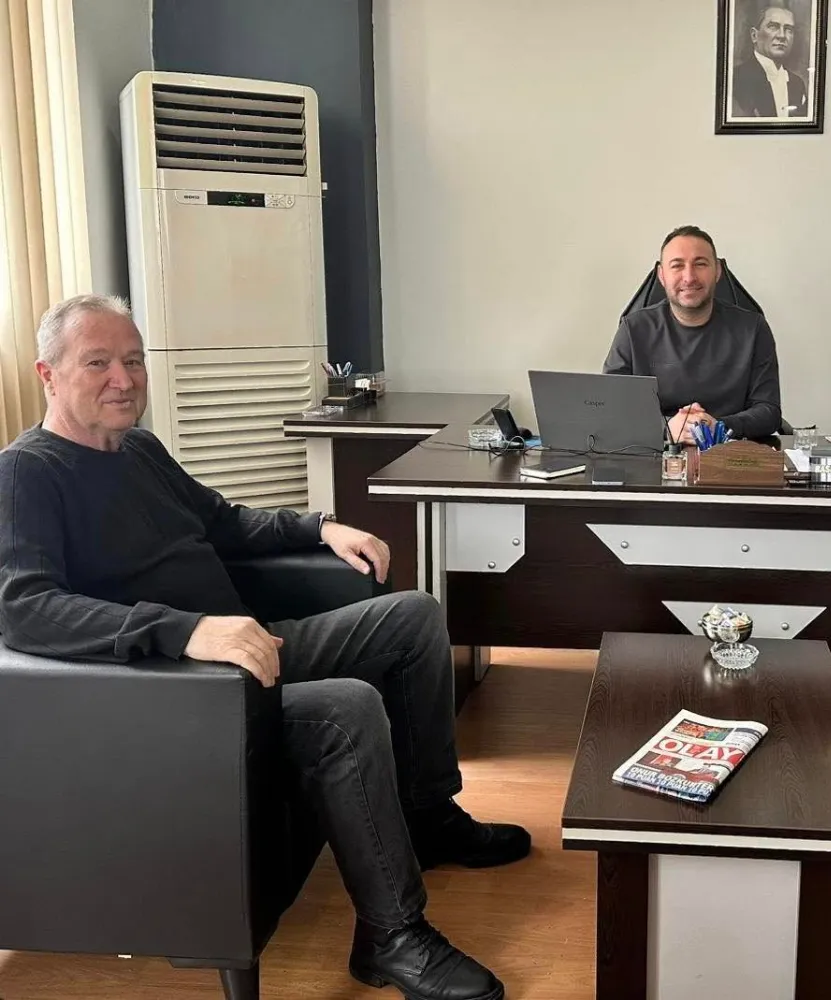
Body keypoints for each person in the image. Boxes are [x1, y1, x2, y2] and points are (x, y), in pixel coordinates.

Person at [0, 294, 532, 1000]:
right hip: (180, 696)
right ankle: (392, 936)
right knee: (347, 707)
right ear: (48, 373)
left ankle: (429, 818)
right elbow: (24, 608)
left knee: (414, 617)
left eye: (132, 361)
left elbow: (223, 523)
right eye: (98, 363)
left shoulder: (140, 451)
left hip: (249, 650)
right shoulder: (27, 472)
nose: (123, 380)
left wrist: (321, 527)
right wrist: (184, 630)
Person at [603, 225, 781, 444]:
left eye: (700, 264)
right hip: (656, 453)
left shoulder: (753, 328)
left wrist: (717, 427)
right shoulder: (633, 329)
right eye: (677, 265)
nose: (689, 277)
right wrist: (666, 428)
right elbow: (610, 407)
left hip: (730, 453)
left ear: (717, 271)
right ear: (662, 275)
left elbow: (769, 410)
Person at [732, 4, 808, 119]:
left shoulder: (797, 84)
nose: (782, 36)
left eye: (788, 29)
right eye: (773, 27)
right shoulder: (735, 78)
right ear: (754, 35)